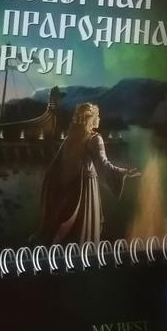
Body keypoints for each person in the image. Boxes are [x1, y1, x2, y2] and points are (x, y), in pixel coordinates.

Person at [37, 103, 140, 246]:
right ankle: (84, 249)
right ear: (90, 119)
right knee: (84, 224)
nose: (99, 119)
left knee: (69, 220)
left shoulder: (71, 137)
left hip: (70, 186)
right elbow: (104, 165)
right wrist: (124, 172)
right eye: (97, 116)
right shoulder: (95, 138)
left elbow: (57, 166)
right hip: (86, 185)